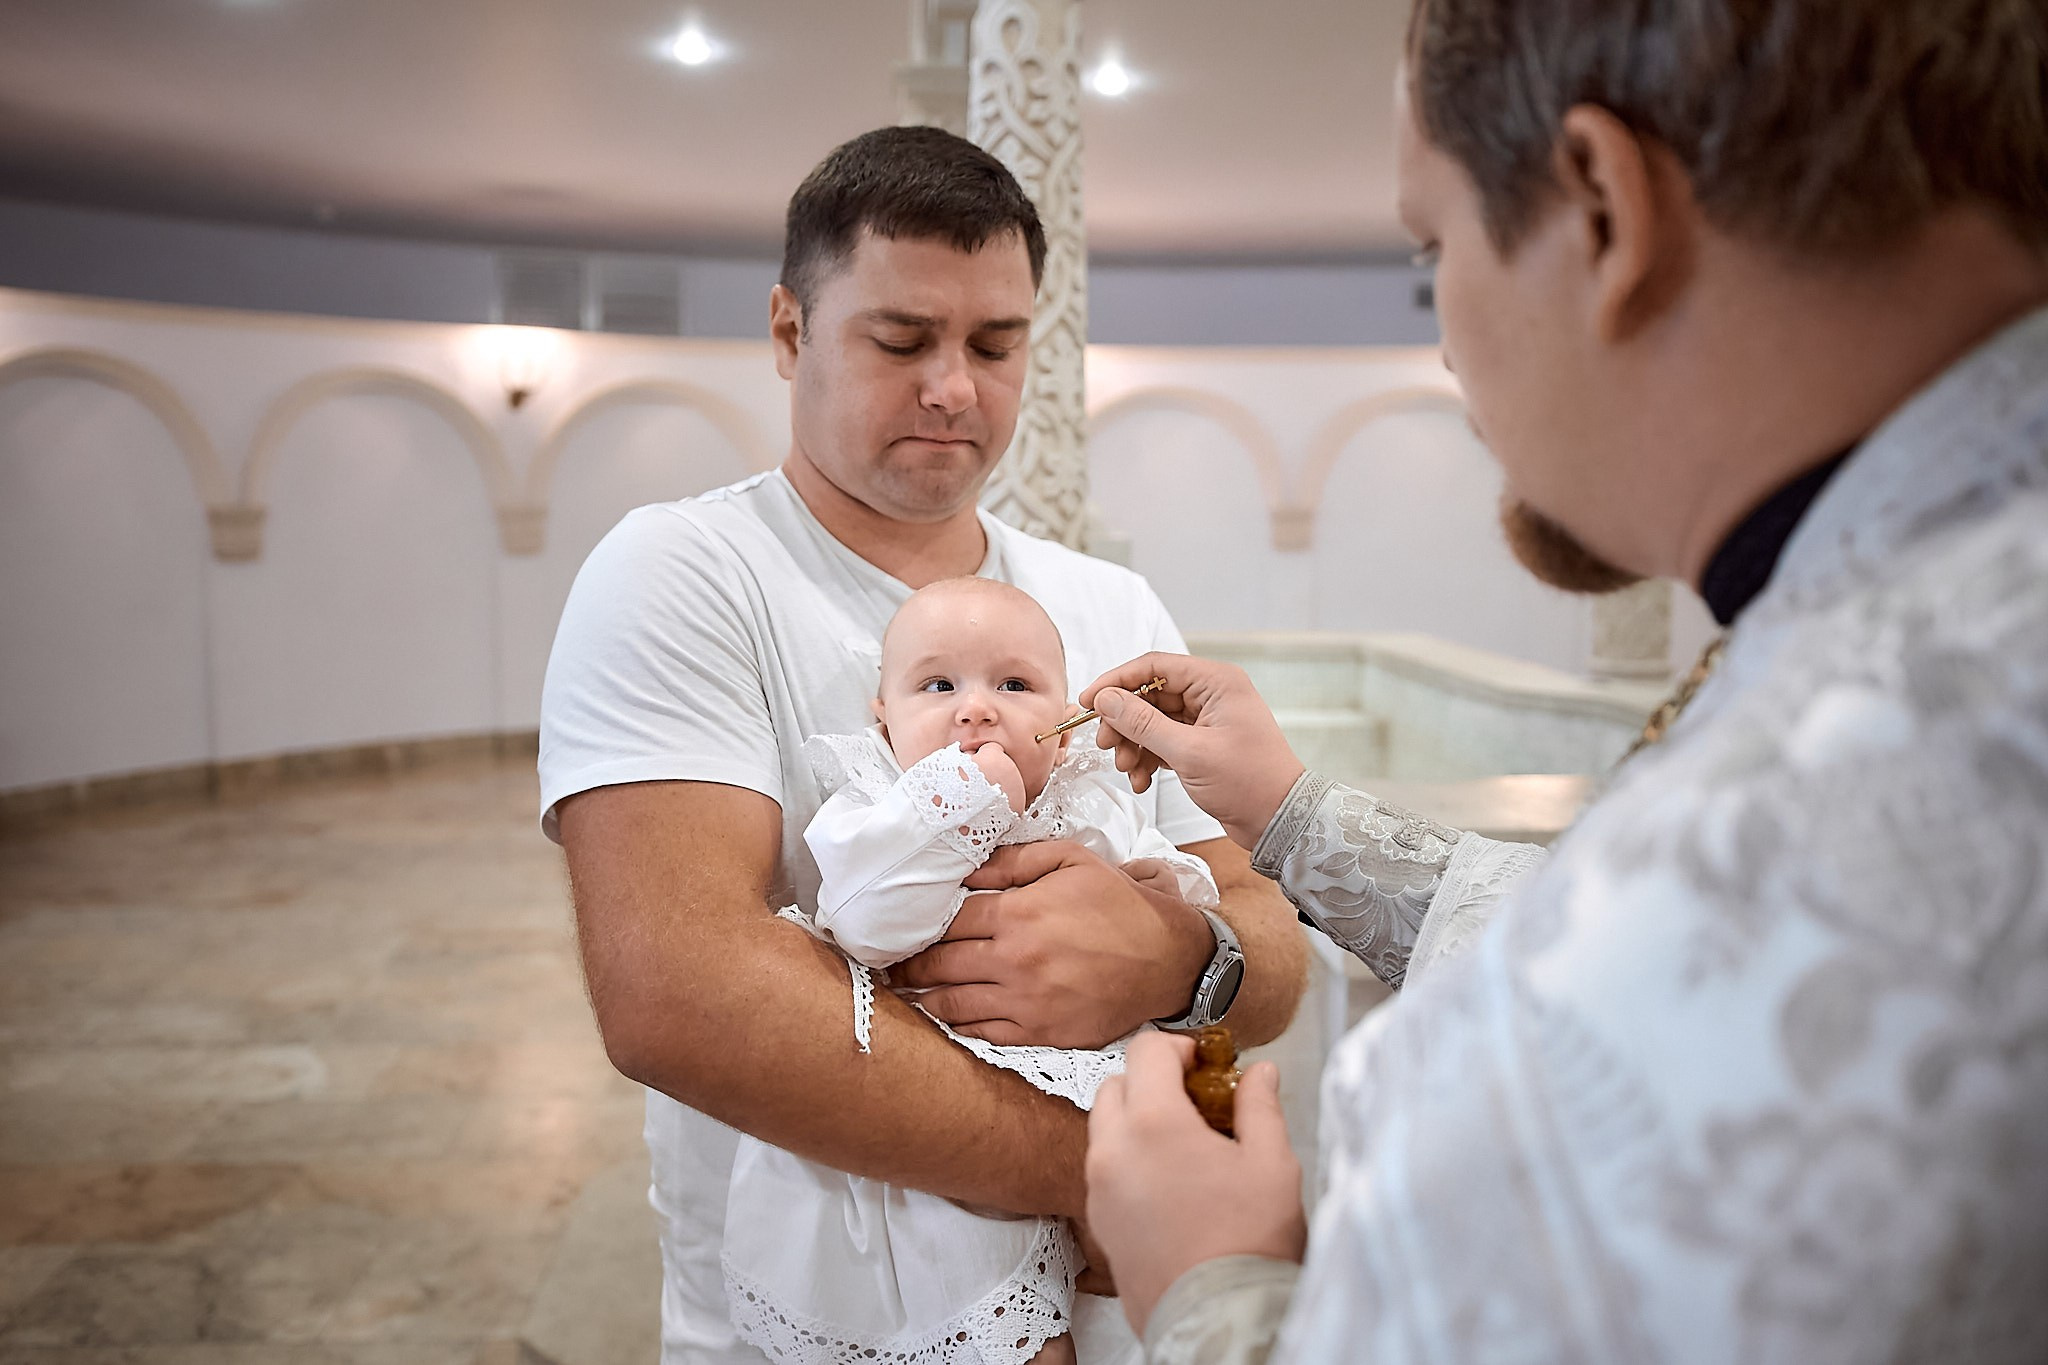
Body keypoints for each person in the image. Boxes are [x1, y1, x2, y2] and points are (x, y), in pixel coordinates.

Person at [1076, 0, 2048, 1361]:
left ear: (1602, 207)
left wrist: (1214, 1283)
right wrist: (1293, 811)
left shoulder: (1820, 820)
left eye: (1434, 252)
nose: (1448, 343)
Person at [538, 125, 1306, 1365]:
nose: (953, 387)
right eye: (900, 341)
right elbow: (675, 999)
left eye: (995, 346)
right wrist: (1114, 1169)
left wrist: (1179, 951)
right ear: (789, 331)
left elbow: (1269, 945)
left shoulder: (1106, 606)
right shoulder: (683, 573)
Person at [723, 577, 1220, 1365]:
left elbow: (1160, 868)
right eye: (938, 685)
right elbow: (865, 917)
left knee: (1125, 1311)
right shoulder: (877, 809)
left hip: (1088, 1100)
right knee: (1008, 1332)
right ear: (881, 715)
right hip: (944, 1130)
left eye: (1015, 685)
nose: (977, 708)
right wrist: (965, 797)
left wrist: (1170, 899)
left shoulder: (1086, 798)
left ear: (1065, 723)